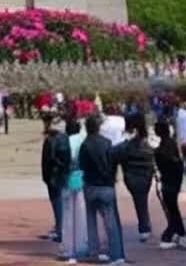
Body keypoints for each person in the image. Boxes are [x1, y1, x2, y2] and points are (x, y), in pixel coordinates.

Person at [78, 113, 126, 266]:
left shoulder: (85, 145)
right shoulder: (107, 143)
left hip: (91, 185)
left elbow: (82, 165)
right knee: (110, 222)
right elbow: (112, 163)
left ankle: (94, 250)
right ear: (98, 128)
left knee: (91, 219)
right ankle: (116, 255)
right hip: (106, 186)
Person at [113, 112, 154, 243]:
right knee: (141, 200)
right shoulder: (145, 138)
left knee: (140, 201)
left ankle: (144, 227)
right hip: (144, 173)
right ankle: (145, 226)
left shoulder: (128, 141)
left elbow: (117, 152)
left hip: (132, 174)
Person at [154, 119, 186, 251]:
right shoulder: (171, 144)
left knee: (172, 210)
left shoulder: (160, 150)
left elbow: (164, 163)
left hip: (168, 182)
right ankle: (175, 234)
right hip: (174, 182)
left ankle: (178, 235)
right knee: (173, 210)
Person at [60, 119, 87, 265]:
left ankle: (68, 248)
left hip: (68, 179)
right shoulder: (83, 140)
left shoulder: (65, 142)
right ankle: (83, 243)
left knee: (68, 214)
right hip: (82, 178)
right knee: (81, 213)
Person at [40, 118, 67, 244]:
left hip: (53, 176)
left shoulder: (51, 140)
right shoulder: (64, 138)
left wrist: (48, 176)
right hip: (60, 175)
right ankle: (60, 228)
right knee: (60, 203)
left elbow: (50, 159)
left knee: (57, 203)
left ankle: (60, 230)